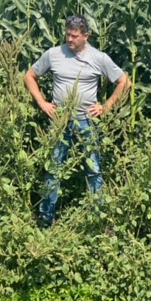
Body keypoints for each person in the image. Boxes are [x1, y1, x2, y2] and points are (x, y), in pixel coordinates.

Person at [24, 15, 130, 227]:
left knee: (93, 169)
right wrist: (42, 103)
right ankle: (46, 219)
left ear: (86, 36)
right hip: (60, 121)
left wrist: (106, 107)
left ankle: (98, 218)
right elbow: (29, 76)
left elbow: (124, 82)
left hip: (86, 121)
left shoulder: (98, 58)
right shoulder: (54, 54)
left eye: (74, 36)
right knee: (53, 168)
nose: (70, 40)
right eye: (67, 35)